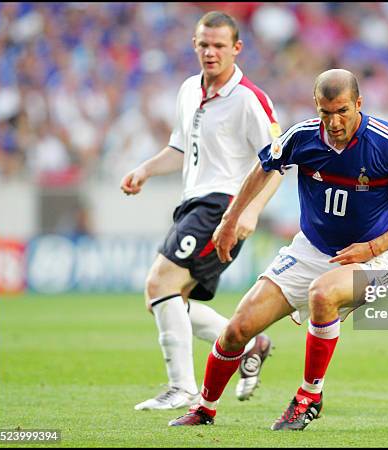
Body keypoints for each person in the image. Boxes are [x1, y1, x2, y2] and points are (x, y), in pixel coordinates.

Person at [168, 68, 388, 429]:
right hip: (311, 249)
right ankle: (204, 408)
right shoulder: (302, 137)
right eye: (326, 112)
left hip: (375, 256)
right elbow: (263, 168)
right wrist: (231, 219)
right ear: (316, 107)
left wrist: (371, 247)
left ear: (359, 104)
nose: (334, 121)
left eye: (342, 111)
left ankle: (309, 397)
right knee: (237, 330)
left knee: (323, 294)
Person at [120, 11, 282, 411]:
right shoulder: (190, 89)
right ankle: (248, 346)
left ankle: (184, 388)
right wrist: (146, 169)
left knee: (160, 285)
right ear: (195, 45)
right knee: (168, 299)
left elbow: (278, 163)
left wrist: (251, 211)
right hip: (192, 202)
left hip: (223, 205)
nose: (211, 52)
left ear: (236, 49)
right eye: (204, 45)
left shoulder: (249, 99)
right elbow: (180, 148)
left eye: (219, 46)